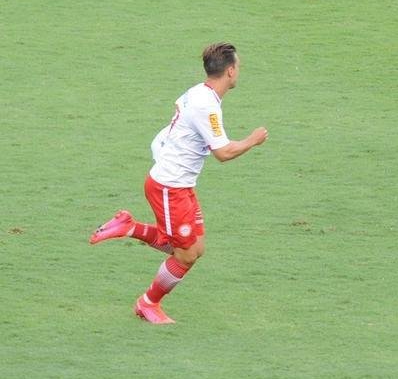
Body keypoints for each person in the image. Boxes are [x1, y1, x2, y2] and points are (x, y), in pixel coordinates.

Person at [89, 42, 269, 324]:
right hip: (169, 188)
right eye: (239, 66)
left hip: (179, 185)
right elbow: (223, 153)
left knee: (196, 249)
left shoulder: (199, 92)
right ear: (231, 71)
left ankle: (129, 226)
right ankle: (148, 303)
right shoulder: (207, 106)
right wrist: (252, 140)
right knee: (184, 256)